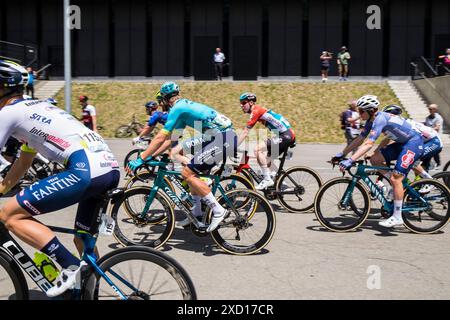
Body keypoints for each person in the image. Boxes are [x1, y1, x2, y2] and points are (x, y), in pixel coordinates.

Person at [0, 60, 120, 297]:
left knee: (9, 215)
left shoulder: (8, 112)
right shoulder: (37, 107)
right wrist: (2, 188)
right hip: (109, 167)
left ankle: (69, 267)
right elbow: (24, 162)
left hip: (84, 169)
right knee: (82, 239)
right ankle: (87, 291)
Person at [126, 81, 236, 232]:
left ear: (165, 99)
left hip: (222, 138)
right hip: (219, 137)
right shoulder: (182, 109)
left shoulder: (177, 109)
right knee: (189, 168)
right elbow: (170, 139)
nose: (161, 105)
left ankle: (218, 210)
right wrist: (154, 155)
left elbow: (159, 137)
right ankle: (197, 213)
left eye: (161, 101)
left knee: (187, 173)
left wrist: (142, 158)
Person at [333, 95, 424, 228]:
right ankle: (397, 185)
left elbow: (369, 143)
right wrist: (342, 153)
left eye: (361, 111)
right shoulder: (372, 120)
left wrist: (351, 160)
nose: (359, 114)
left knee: (395, 178)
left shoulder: (380, 119)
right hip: (402, 143)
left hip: (414, 143)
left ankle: (397, 217)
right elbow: (360, 139)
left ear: (370, 111)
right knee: (375, 159)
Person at [236, 92, 296, 190]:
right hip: (286, 135)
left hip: (286, 135)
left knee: (257, 149)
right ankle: (282, 184)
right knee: (267, 159)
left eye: (243, 103)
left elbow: (245, 132)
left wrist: (234, 146)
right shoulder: (258, 110)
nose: (241, 105)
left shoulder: (256, 111)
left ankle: (267, 179)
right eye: (241, 103)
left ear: (251, 102)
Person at [380, 105, 443, 193]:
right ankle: (412, 186)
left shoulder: (401, 124)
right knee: (406, 160)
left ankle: (430, 181)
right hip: (423, 142)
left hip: (434, 142)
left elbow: (388, 140)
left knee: (412, 159)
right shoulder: (399, 124)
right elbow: (389, 139)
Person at [424, 104, 444, 170]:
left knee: (435, 151)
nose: (429, 110)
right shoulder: (428, 117)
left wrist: (429, 129)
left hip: (436, 137)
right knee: (431, 151)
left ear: (435, 110)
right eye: (429, 109)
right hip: (429, 137)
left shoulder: (438, 118)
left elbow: (437, 128)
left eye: (431, 109)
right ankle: (428, 164)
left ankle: (438, 163)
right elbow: (426, 124)